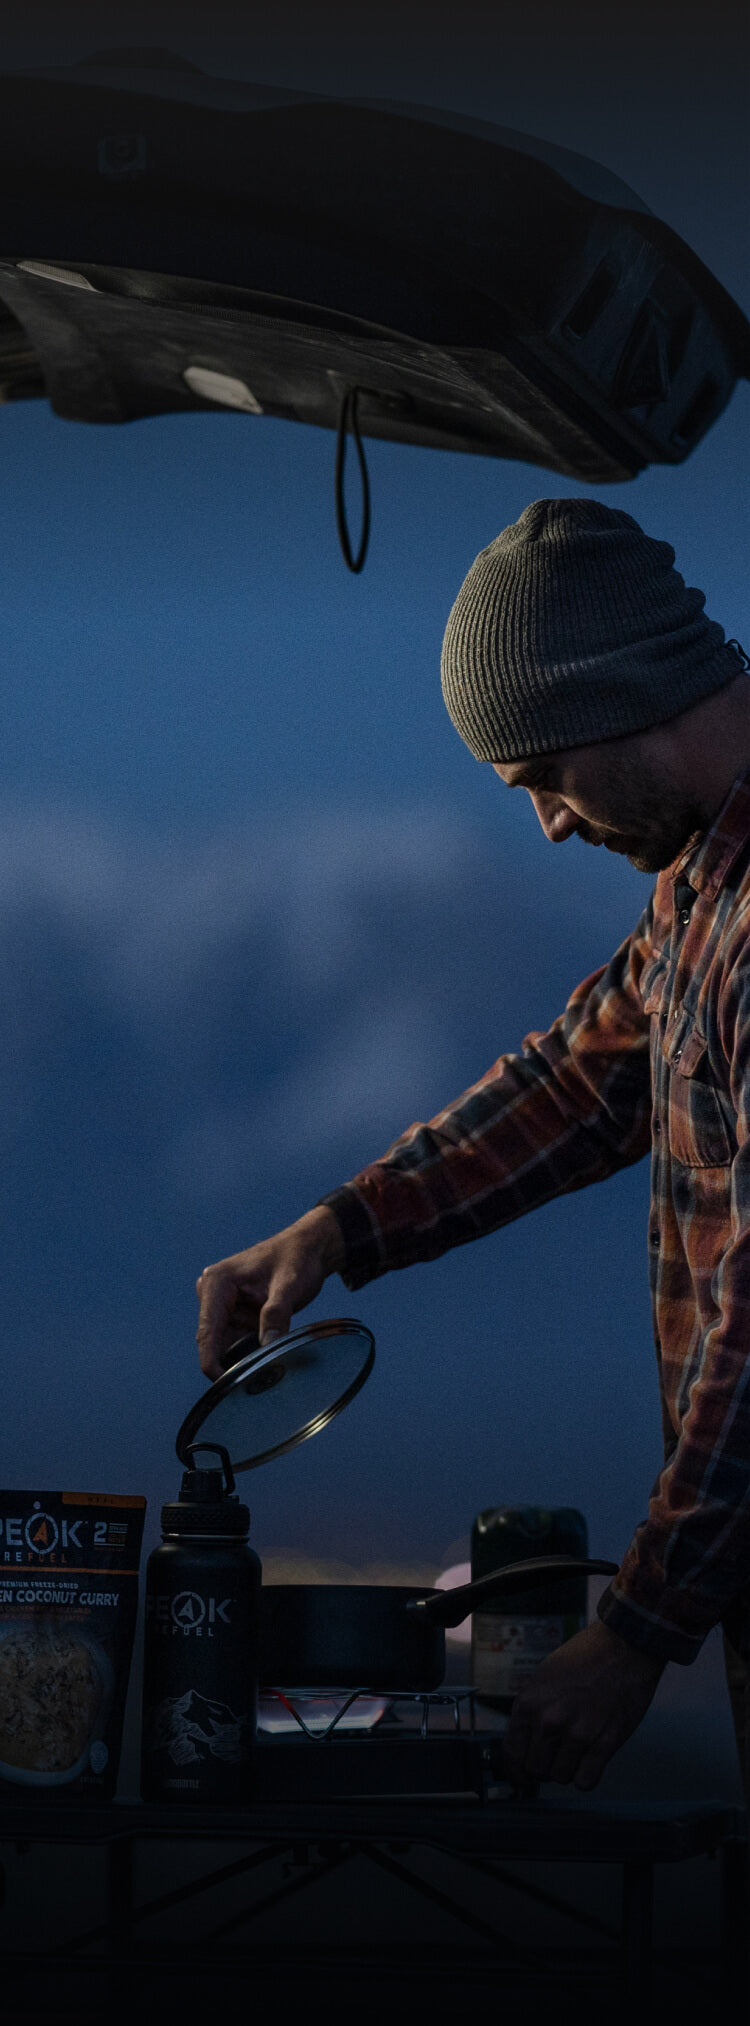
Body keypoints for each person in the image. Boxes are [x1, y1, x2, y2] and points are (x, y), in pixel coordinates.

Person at [195, 497, 750, 1799]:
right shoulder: (701, 892)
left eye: (542, 776)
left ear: (616, 700)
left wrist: (632, 1632)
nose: (551, 823)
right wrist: (336, 1227)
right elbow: (578, 1076)